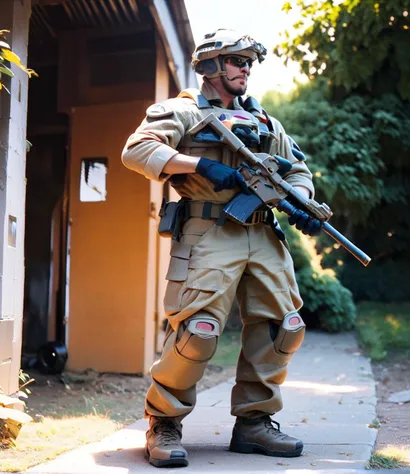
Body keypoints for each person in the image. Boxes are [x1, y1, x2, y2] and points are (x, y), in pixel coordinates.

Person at [121, 29, 322, 468]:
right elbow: (137, 150)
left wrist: (301, 204)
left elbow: (298, 170)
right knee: (198, 332)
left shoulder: (266, 121)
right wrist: (201, 165)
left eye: (250, 61)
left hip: (263, 233)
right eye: (237, 60)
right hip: (208, 229)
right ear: (211, 66)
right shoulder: (182, 110)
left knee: (283, 327)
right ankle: (164, 421)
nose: (246, 68)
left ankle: (255, 423)